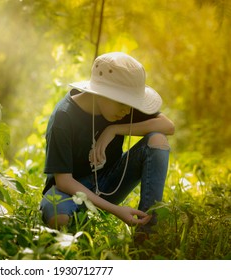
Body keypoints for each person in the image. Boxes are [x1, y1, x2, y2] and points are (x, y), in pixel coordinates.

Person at [40, 52, 175, 239]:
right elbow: (64, 181)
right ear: (100, 93)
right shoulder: (64, 117)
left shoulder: (121, 108)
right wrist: (116, 210)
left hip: (109, 182)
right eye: (123, 104)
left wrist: (114, 129)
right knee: (58, 216)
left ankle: (147, 232)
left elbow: (168, 126)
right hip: (71, 191)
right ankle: (79, 227)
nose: (127, 111)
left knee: (158, 139)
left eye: (131, 104)